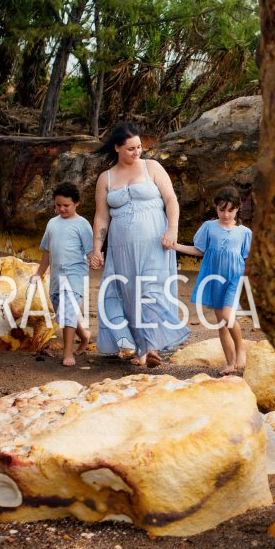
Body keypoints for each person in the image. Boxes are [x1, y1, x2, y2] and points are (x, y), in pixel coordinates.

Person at [89, 122, 189, 366]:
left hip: (155, 243)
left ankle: (151, 347)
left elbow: (171, 200)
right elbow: (101, 216)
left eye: (139, 147)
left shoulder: (152, 167)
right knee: (128, 294)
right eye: (131, 148)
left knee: (150, 292)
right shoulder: (106, 178)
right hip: (121, 248)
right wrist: (97, 248)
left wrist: (172, 230)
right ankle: (141, 350)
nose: (137, 152)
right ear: (117, 148)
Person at [173, 186, 252, 374]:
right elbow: (199, 250)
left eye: (230, 210)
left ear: (237, 209)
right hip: (215, 279)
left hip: (235, 278)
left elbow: (248, 258)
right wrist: (176, 246)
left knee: (228, 316)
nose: (226, 214)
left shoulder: (244, 232)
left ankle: (240, 349)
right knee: (222, 324)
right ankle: (230, 364)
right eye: (222, 209)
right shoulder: (209, 227)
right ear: (216, 207)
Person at [31, 182, 93, 367]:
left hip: (75, 275)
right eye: (58, 205)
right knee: (64, 312)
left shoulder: (82, 224)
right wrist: (39, 273)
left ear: (77, 203)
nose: (62, 209)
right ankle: (84, 335)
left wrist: (96, 259)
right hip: (57, 277)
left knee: (68, 311)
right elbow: (47, 251)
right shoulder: (52, 223)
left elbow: (90, 250)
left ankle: (67, 353)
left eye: (66, 205)